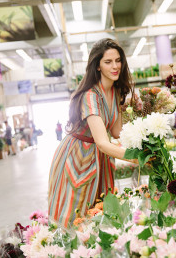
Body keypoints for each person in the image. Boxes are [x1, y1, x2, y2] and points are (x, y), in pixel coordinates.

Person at [48, 38, 134, 228]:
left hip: (100, 157)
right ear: (97, 66)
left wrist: (143, 125)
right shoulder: (91, 95)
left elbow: (117, 131)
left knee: (101, 212)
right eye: (108, 62)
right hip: (80, 155)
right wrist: (136, 157)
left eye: (118, 60)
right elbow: (103, 142)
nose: (115, 66)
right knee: (76, 214)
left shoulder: (117, 91)